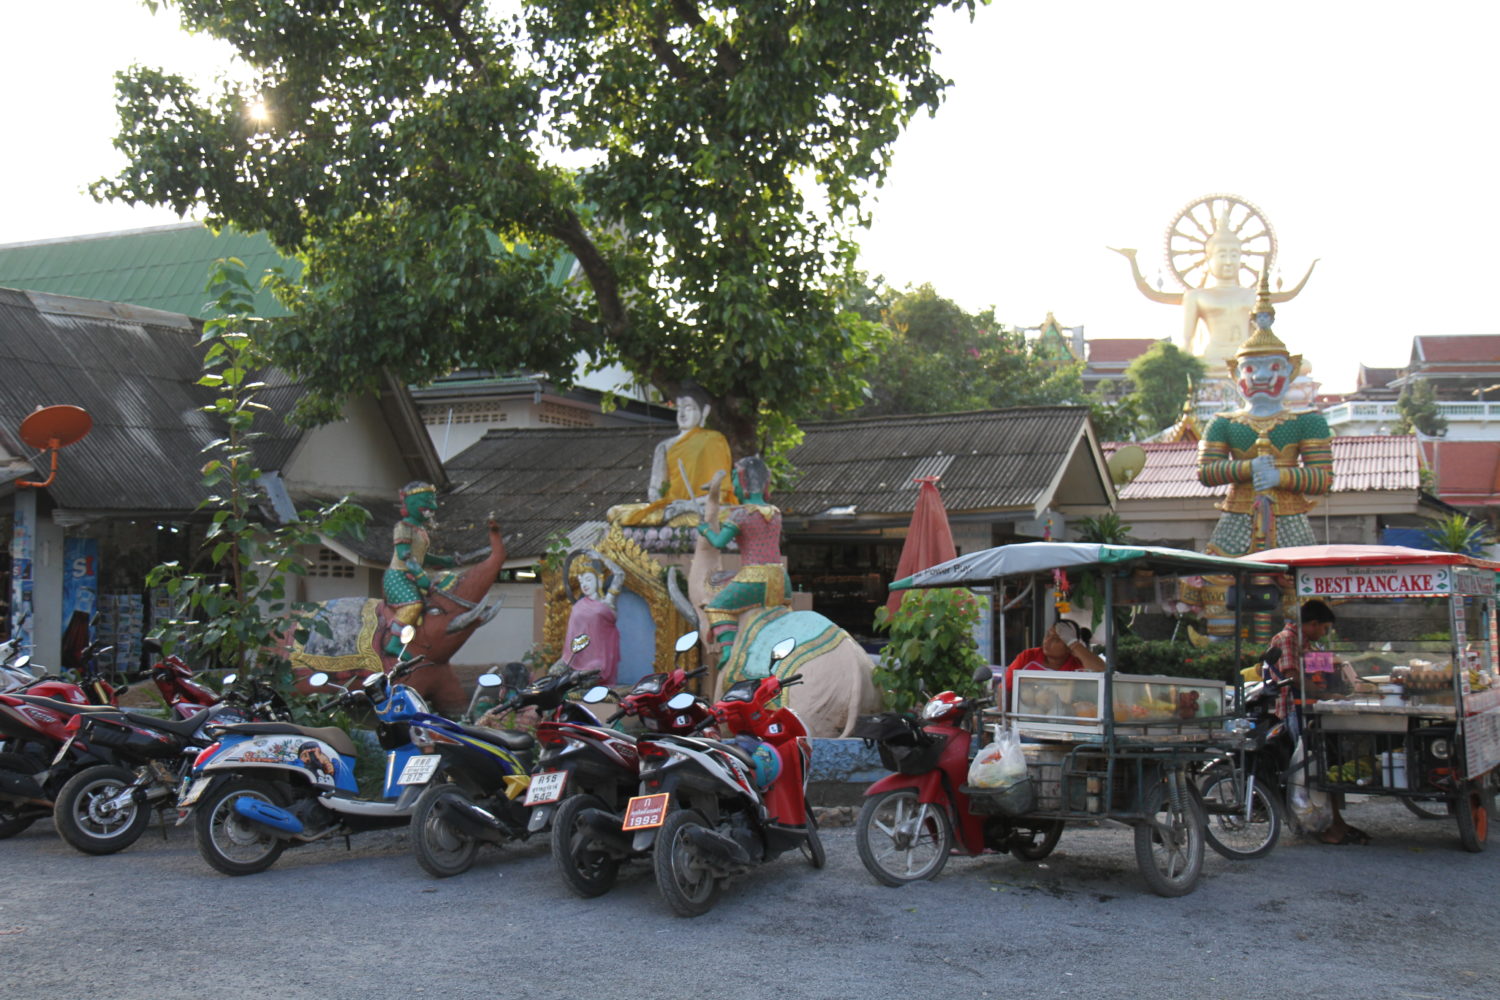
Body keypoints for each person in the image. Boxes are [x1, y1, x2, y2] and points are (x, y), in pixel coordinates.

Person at [1267, 599, 1368, 845]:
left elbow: (1322, 669)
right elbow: (1293, 677)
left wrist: (1343, 673)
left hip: (1313, 710)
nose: (1325, 633)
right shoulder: (1286, 639)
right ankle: (1320, 825)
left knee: (1325, 764)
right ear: (1312, 624)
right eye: (1324, 628)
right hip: (1295, 710)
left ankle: (1336, 822)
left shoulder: (1308, 643)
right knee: (1310, 768)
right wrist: (1326, 695)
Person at [698, 456, 791, 668]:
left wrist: (705, 530)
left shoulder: (741, 515)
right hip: (781, 580)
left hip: (754, 580)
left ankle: (728, 649)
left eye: (734, 479)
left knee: (716, 608)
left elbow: (719, 542)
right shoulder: (776, 513)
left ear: (742, 481)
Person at [616, 385, 736, 525]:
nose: (682, 414)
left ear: (705, 411)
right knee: (616, 512)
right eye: (679, 408)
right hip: (671, 508)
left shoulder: (713, 440)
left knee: (720, 514)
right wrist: (661, 502)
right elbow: (656, 488)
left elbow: (720, 493)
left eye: (689, 408)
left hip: (702, 507)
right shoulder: (664, 446)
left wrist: (688, 505)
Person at [1000, 619, 1106, 710]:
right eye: (1047, 635)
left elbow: (1102, 671)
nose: (1047, 641)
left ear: (1069, 646)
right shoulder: (1028, 657)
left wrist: (1073, 643)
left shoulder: (1078, 664)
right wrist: (1005, 718)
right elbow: (1004, 688)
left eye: (1056, 639)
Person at [562, 549, 624, 685]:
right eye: (581, 581)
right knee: (554, 674)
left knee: (587, 680)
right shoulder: (579, 606)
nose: (585, 585)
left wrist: (601, 558)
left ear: (599, 581)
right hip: (577, 656)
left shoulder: (607, 602)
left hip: (600, 659)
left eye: (588, 580)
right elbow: (574, 636)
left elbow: (619, 574)